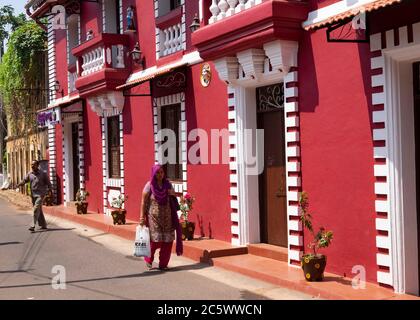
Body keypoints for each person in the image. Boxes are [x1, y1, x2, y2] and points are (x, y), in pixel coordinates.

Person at [139, 164, 182, 270]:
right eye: (157, 172)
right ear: (153, 173)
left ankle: (163, 264)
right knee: (155, 240)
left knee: (167, 241)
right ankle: (149, 259)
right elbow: (143, 202)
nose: (160, 175)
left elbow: (173, 197)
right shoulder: (149, 185)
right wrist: (141, 217)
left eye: (162, 172)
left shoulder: (168, 185)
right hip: (153, 218)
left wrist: (172, 193)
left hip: (168, 218)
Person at [17, 160, 52, 232]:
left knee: (36, 209)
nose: (32, 166)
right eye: (31, 165)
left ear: (37, 165)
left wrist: (50, 191)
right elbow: (24, 180)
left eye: (34, 164)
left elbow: (48, 183)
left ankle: (32, 225)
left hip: (41, 194)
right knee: (39, 210)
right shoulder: (30, 174)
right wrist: (18, 185)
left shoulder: (43, 174)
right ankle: (43, 224)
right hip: (33, 195)